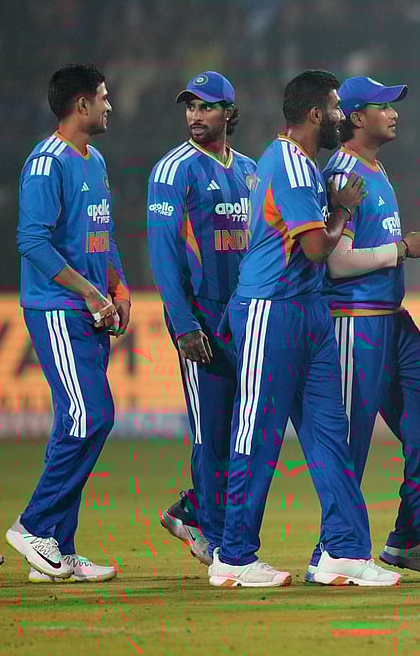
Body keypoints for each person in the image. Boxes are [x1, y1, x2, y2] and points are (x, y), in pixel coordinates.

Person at [209, 69, 398, 588]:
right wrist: (341, 209)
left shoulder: (303, 165)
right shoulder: (290, 165)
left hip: (306, 307)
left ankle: (342, 551)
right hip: (272, 310)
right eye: (336, 108)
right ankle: (233, 555)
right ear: (316, 114)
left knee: (328, 433)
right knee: (258, 433)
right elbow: (317, 247)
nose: (341, 117)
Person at [316, 75, 420, 577]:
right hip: (355, 320)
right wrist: (403, 248)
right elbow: (336, 261)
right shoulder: (341, 173)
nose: (395, 113)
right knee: (350, 441)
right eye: (384, 106)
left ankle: (408, 541)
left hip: (392, 320)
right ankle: (333, 551)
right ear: (356, 117)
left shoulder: (374, 168)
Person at [7, 63, 126, 584]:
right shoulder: (45, 162)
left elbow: (101, 232)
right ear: (80, 105)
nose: (108, 105)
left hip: (91, 311)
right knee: (91, 417)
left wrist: (117, 288)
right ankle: (32, 525)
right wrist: (91, 292)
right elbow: (31, 241)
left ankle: (59, 548)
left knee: (73, 423)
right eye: (102, 97)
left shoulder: (94, 159)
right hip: (58, 309)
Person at [148, 71, 257, 567]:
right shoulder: (174, 169)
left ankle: (195, 510)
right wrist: (183, 321)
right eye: (189, 106)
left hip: (247, 318)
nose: (195, 115)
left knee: (242, 432)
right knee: (211, 431)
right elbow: (164, 252)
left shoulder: (251, 171)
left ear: (229, 113)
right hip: (202, 319)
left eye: (207, 106)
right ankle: (215, 536)